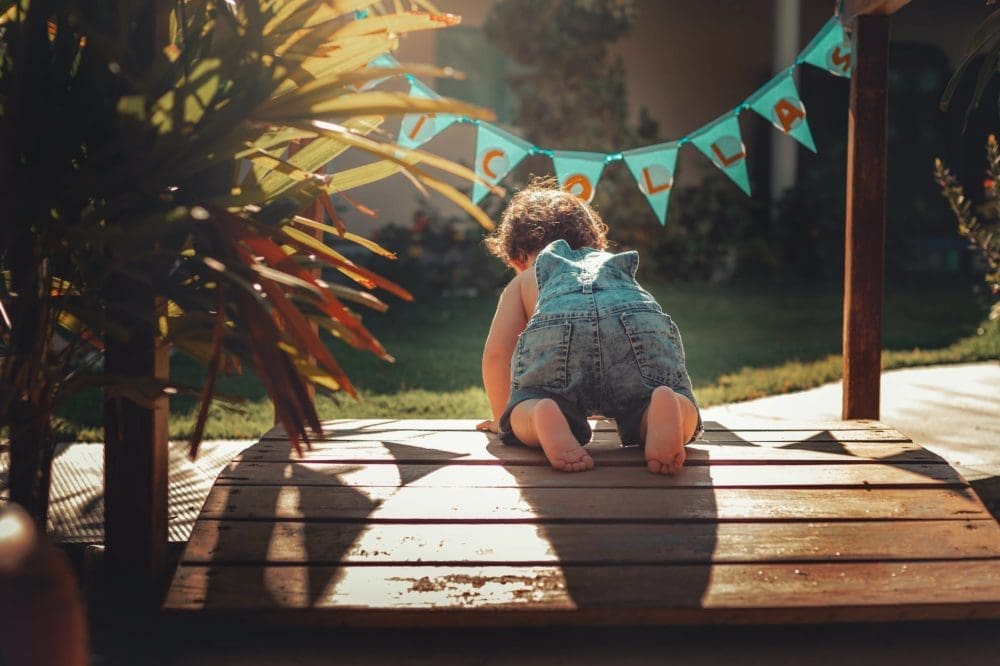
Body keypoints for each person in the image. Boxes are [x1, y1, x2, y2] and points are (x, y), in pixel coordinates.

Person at [477, 178, 702, 474]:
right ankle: (666, 404)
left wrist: (502, 417)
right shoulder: (610, 264)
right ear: (593, 240)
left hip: (560, 329)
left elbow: (497, 354)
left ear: (519, 258)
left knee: (526, 407)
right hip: (632, 319)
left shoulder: (526, 278)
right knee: (655, 398)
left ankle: (539, 413)